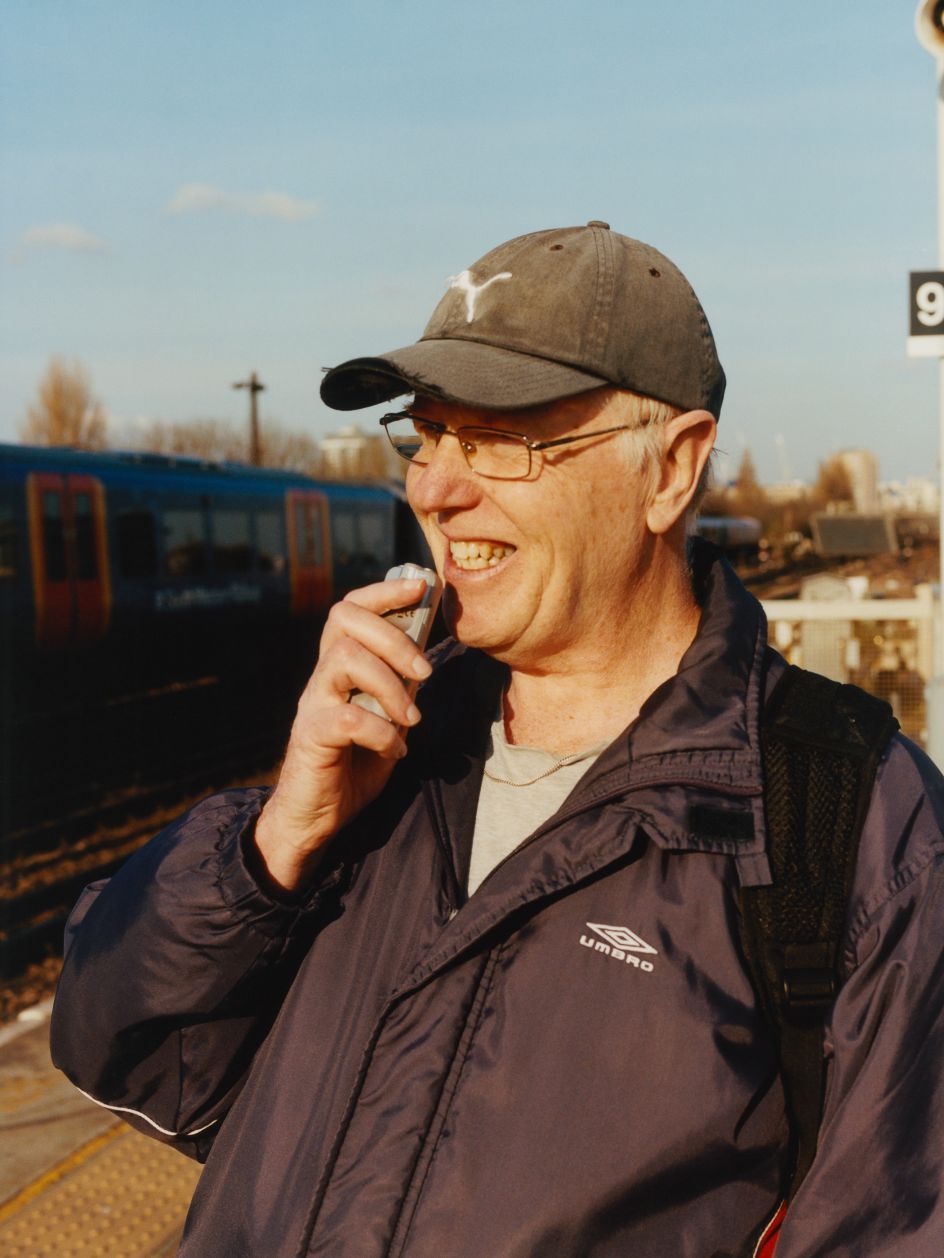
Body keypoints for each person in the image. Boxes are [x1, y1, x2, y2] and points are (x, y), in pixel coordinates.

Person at [51, 223, 944, 1257]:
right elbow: (119, 1051)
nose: (433, 488)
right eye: (427, 437)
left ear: (671, 470)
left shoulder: (849, 823)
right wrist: (269, 854)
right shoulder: (384, 755)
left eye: (503, 438)